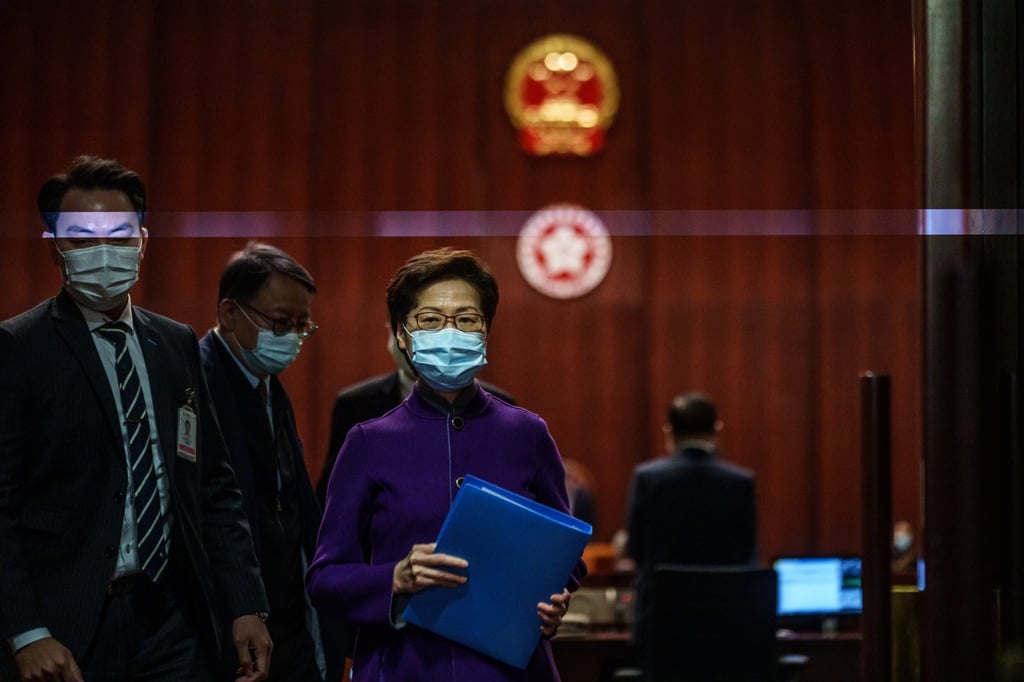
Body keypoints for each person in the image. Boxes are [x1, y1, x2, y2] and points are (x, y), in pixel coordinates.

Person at [0, 156, 272, 681]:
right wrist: (26, 632)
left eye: (119, 235)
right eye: (81, 237)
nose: (103, 251)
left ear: (143, 242)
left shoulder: (173, 343)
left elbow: (214, 484)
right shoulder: (19, 347)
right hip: (69, 625)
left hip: (174, 618)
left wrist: (245, 602)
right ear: (54, 245)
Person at [307, 247, 585, 681]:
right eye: (431, 320)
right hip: (404, 664)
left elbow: (565, 551)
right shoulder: (367, 442)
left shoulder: (526, 433)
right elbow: (325, 578)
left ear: (485, 332)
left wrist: (555, 598)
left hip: (510, 668)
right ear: (402, 336)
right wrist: (394, 579)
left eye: (467, 319)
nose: (450, 331)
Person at [198, 242, 344, 681]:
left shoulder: (268, 385)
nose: (291, 339)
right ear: (229, 313)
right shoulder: (194, 381)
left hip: (287, 612)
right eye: (280, 323)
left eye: (302, 326)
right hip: (230, 619)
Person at [316, 330, 515, 506]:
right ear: (395, 332)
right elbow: (334, 495)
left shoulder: (502, 406)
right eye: (426, 323)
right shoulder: (356, 404)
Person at [624, 391, 757, 650]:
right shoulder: (741, 483)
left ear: (668, 431)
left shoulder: (648, 478)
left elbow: (635, 549)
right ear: (717, 429)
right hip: (725, 626)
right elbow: (747, 553)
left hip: (660, 627)